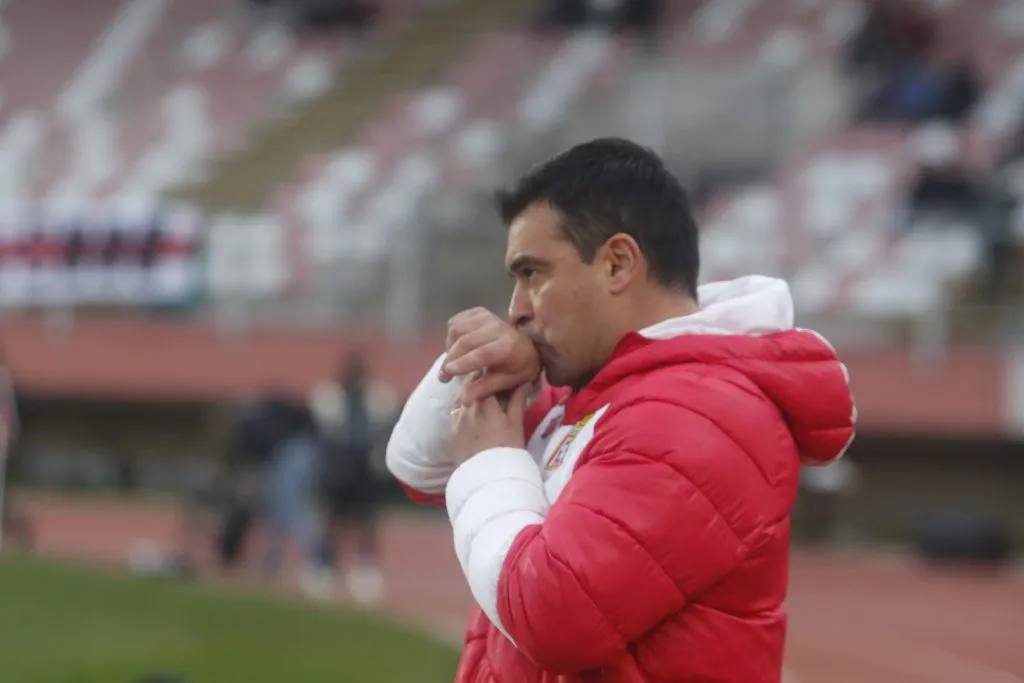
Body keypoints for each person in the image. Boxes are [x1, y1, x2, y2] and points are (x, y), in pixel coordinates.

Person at [386, 138, 856, 682]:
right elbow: (416, 469)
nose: (514, 310)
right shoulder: (600, 391)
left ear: (616, 264)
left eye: (532, 274)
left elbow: (553, 616)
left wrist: (490, 460)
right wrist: (477, 366)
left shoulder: (697, 417)